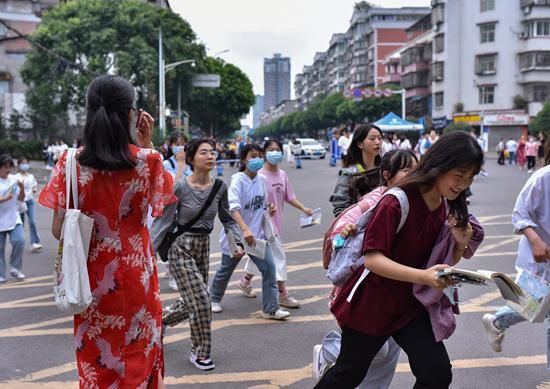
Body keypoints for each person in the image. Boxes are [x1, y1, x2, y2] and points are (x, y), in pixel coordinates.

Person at [314, 131, 483, 389]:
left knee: (436, 373)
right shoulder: (396, 201)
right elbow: (372, 260)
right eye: (459, 175)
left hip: (411, 305)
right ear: (439, 165)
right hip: (372, 304)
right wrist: (425, 277)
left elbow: (446, 259)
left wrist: (460, 243)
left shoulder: (447, 205)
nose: (463, 184)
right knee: (349, 374)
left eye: (470, 177)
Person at [39, 75, 176, 388]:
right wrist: (147, 145)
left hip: (91, 282)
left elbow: (59, 230)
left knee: (97, 362)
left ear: (90, 112)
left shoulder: (70, 162)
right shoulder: (149, 161)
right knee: (140, 355)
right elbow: (162, 202)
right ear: (131, 115)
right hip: (139, 278)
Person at [313, 149, 418, 388]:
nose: (414, 175)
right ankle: (330, 353)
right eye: (407, 170)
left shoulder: (415, 201)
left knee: (389, 351)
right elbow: (336, 243)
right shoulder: (374, 201)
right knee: (374, 352)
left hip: (399, 291)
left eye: (417, 169)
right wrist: (346, 233)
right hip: (363, 291)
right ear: (388, 175)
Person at [151, 139, 243, 371]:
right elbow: (163, 221)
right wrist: (147, 252)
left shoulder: (219, 187)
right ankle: (200, 352)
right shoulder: (180, 187)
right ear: (191, 159)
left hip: (203, 246)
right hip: (180, 246)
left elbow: (227, 218)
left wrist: (237, 241)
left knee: (191, 299)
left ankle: (158, 322)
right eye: (204, 153)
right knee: (202, 299)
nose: (211, 156)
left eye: (213, 152)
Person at [482, 137, 550, 355]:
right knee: (538, 304)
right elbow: (520, 213)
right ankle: (498, 320)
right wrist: (535, 239)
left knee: (539, 306)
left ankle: (497, 320)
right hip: (541, 259)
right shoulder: (543, 178)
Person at [210, 143, 290, 320]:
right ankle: (213, 299)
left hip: (257, 237)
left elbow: (261, 204)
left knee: (269, 268)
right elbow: (233, 207)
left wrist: (268, 208)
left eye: (260, 155)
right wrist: (244, 229)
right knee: (225, 269)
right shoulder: (238, 180)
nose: (257, 159)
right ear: (244, 159)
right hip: (238, 235)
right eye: (253, 156)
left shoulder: (261, 180)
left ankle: (271, 309)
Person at [239, 139, 314, 308]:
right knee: (278, 257)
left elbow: (289, 196)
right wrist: (264, 209)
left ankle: (245, 281)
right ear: (264, 153)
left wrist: (304, 208)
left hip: (276, 223)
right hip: (263, 225)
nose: (275, 152)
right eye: (271, 149)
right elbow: (250, 200)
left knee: (260, 254)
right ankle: (283, 294)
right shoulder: (260, 176)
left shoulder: (282, 175)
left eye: (278, 149)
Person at [330, 124, 382, 217]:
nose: (378, 142)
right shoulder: (349, 174)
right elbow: (340, 208)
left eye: (380, 138)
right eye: (372, 138)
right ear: (359, 144)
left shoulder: (385, 170)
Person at [0, 155, 25, 283]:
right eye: (5, 167)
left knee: (19, 240)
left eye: (10, 167)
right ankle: (1, 274)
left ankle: (15, 268)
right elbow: (7, 197)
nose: (8, 169)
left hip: (13, 217)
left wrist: (21, 188)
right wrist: (5, 198)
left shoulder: (13, 180)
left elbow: (20, 199)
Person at [12, 158, 42, 252]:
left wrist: (34, 189)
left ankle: (34, 242)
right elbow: (12, 188)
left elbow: (34, 185)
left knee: (32, 221)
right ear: (19, 165)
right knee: (20, 223)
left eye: (26, 163)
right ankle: (19, 242)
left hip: (29, 201)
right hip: (20, 202)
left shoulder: (31, 176)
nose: (24, 165)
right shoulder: (15, 177)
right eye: (22, 163)